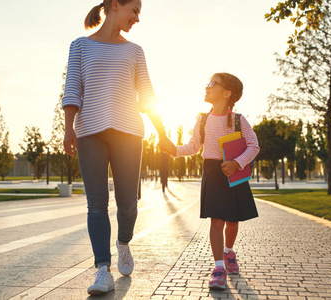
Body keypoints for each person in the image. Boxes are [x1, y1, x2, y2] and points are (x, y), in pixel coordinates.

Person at [62, 0, 171, 295]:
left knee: (128, 203)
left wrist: (162, 133)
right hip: (89, 133)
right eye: (133, 10)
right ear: (114, 5)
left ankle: (123, 243)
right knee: (96, 204)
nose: (137, 18)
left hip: (129, 133)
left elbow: (147, 94)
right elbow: (73, 88)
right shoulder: (80, 46)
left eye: (139, 13)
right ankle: (102, 270)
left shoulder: (134, 51)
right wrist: (68, 129)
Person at [162, 72, 260, 290]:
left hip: (233, 172)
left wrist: (237, 162)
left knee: (232, 222)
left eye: (212, 84)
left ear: (227, 93)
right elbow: (194, 146)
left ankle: (228, 251)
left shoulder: (238, 120)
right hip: (213, 173)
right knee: (216, 221)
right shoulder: (202, 119)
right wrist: (174, 150)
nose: (207, 87)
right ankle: (218, 268)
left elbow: (254, 146)